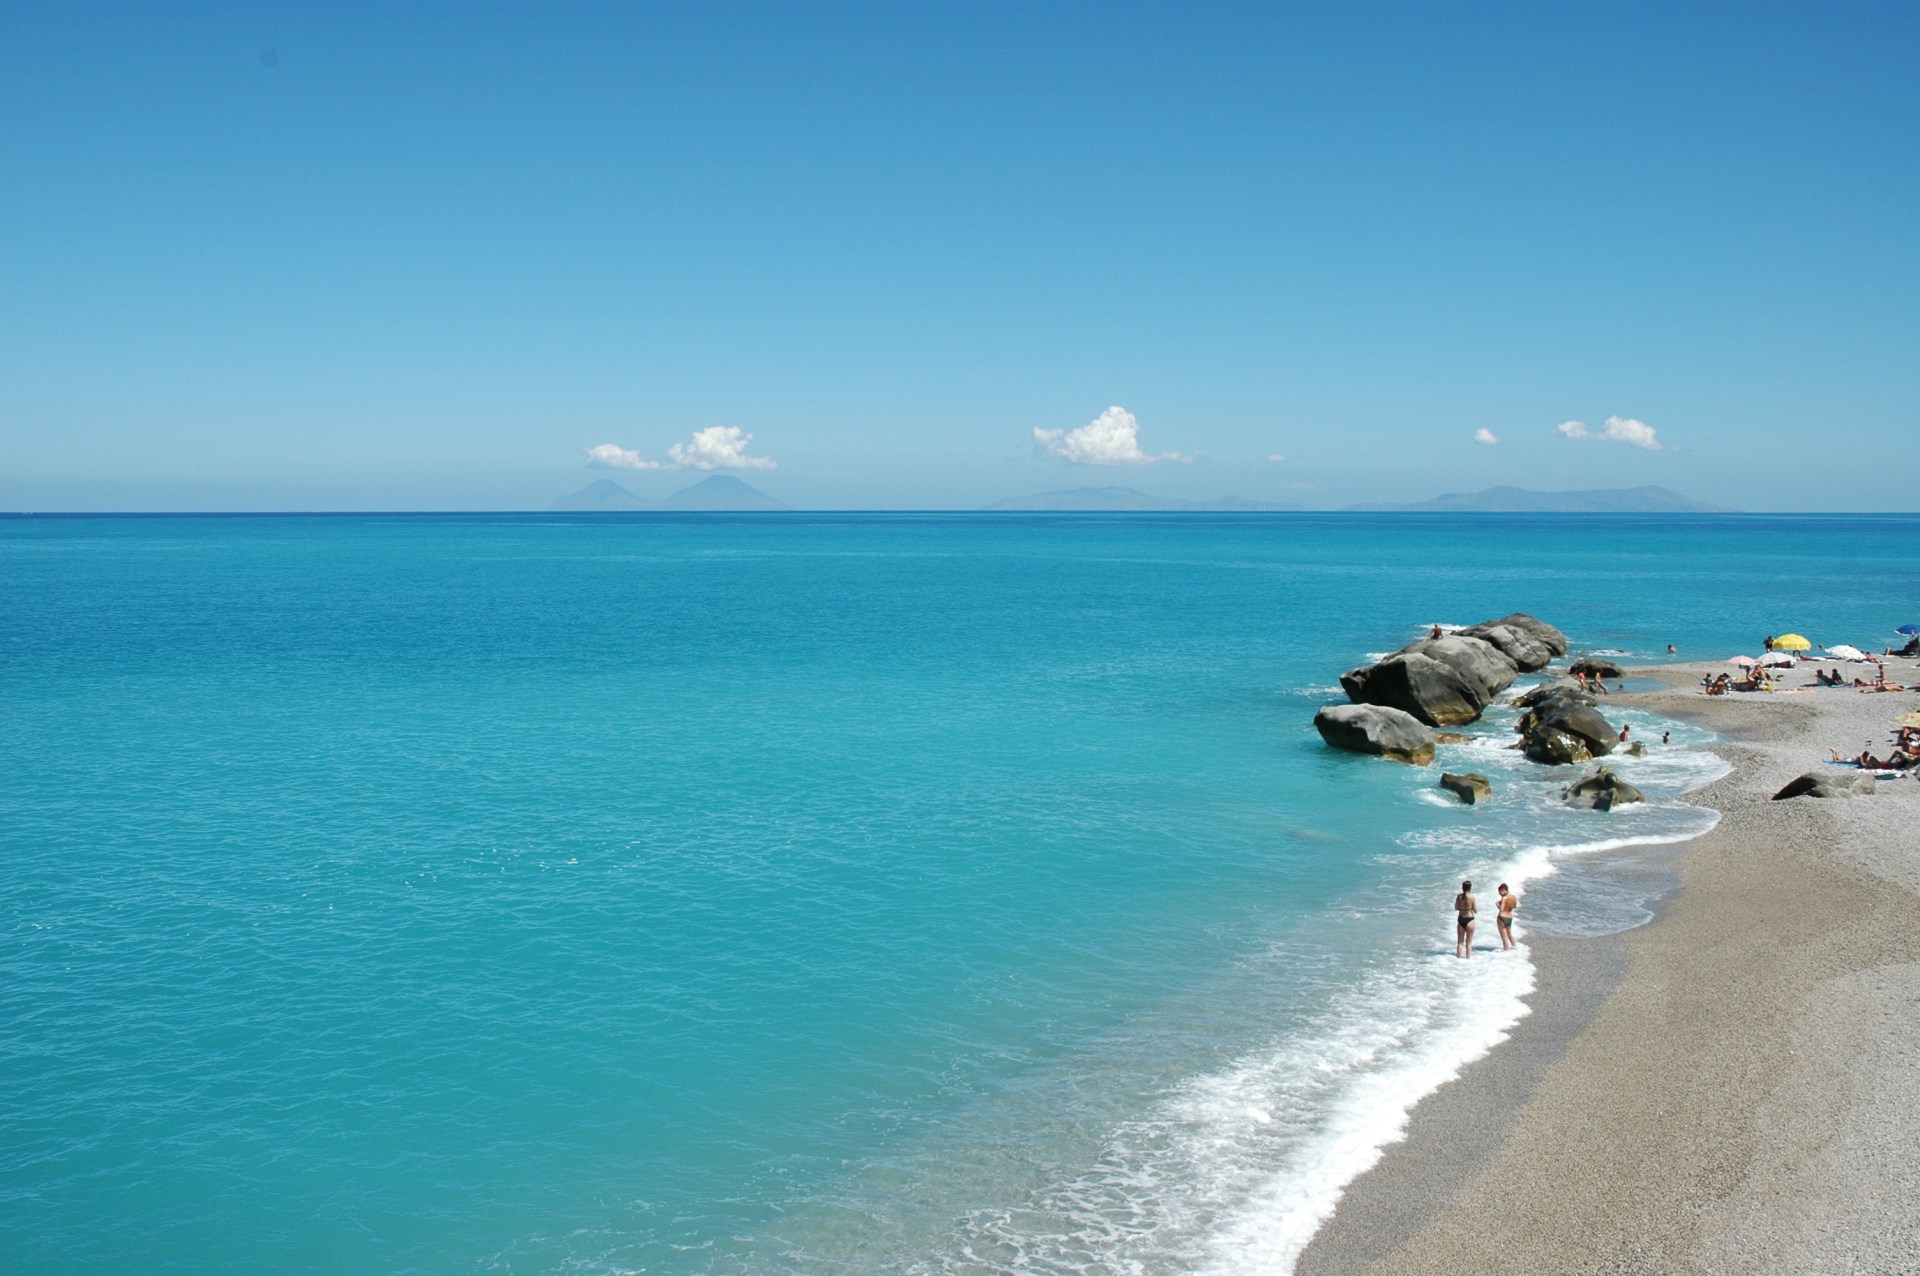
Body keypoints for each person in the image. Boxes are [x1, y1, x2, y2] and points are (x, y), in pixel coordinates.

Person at [1455, 880, 1478, 959]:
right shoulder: (1472, 897)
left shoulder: (1459, 897)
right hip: (1470, 919)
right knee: (1469, 943)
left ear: (1462, 887)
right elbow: (1475, 910)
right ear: (1470, 888)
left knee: (1460, 943)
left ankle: (1458, 960)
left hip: (1461, 919)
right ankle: (1468, 960)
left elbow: (1456, 908)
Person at [1495, 884, 1519, 950]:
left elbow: (1501, 909)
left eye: (1500, 892)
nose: (1499, 894)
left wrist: (1497, 904)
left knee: (1504, 938)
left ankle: (1506, 953)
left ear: (1503, 890)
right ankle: (1515, 948)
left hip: (1502, 918)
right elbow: (1514, 906)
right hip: (1509, 917)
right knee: (1510, 935)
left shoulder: (1504, 898)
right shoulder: (1513, 897)